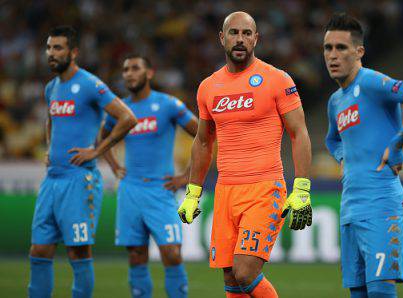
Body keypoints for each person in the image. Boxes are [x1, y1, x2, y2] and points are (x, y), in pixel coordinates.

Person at [177, 11, 313, 298]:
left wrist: (302, 187)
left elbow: (299, 133)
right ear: (221, 38)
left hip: (265, 188)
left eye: (247, 33)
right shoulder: (208, 87)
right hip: (226, 190)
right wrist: (192, 192)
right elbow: (202, 142)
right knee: (231, 278)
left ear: (256, 39)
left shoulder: (276, 79)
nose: (240, 39)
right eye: (234, 33)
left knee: (245, 271)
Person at [323, 13, 403, 298]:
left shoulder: (373, 83)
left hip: (381, 204)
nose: (333, 55)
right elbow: (331, 139)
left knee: (379, 292)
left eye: (341, 48)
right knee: (358, 293)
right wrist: (343, 158)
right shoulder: (335, 101)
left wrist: (398, 143)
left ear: (359, 51)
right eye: (328, 48)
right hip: (350, 208)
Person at [28, 26, 137, 298]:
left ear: (73, 52)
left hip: (79, 180)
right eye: (49, 48)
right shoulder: (51, 87)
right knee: (39, 251)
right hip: (51, 181)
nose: (51, 54)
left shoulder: (90, 84)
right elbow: (50, 119)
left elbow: (128, 118)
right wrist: (49, 148)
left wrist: (97, 151)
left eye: (58, 48)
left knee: (78, 251)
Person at [101, 54, 198, 298]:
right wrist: (113, 165)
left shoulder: (168, 105)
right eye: (125, 69)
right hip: (130, 190)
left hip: (161, 191)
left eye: (135, 68)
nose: (129, 73)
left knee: (172, 254)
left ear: (149, 73)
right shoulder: (120, 109)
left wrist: (187, 175)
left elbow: (203, 135)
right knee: (136, 255)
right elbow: (102, 137)